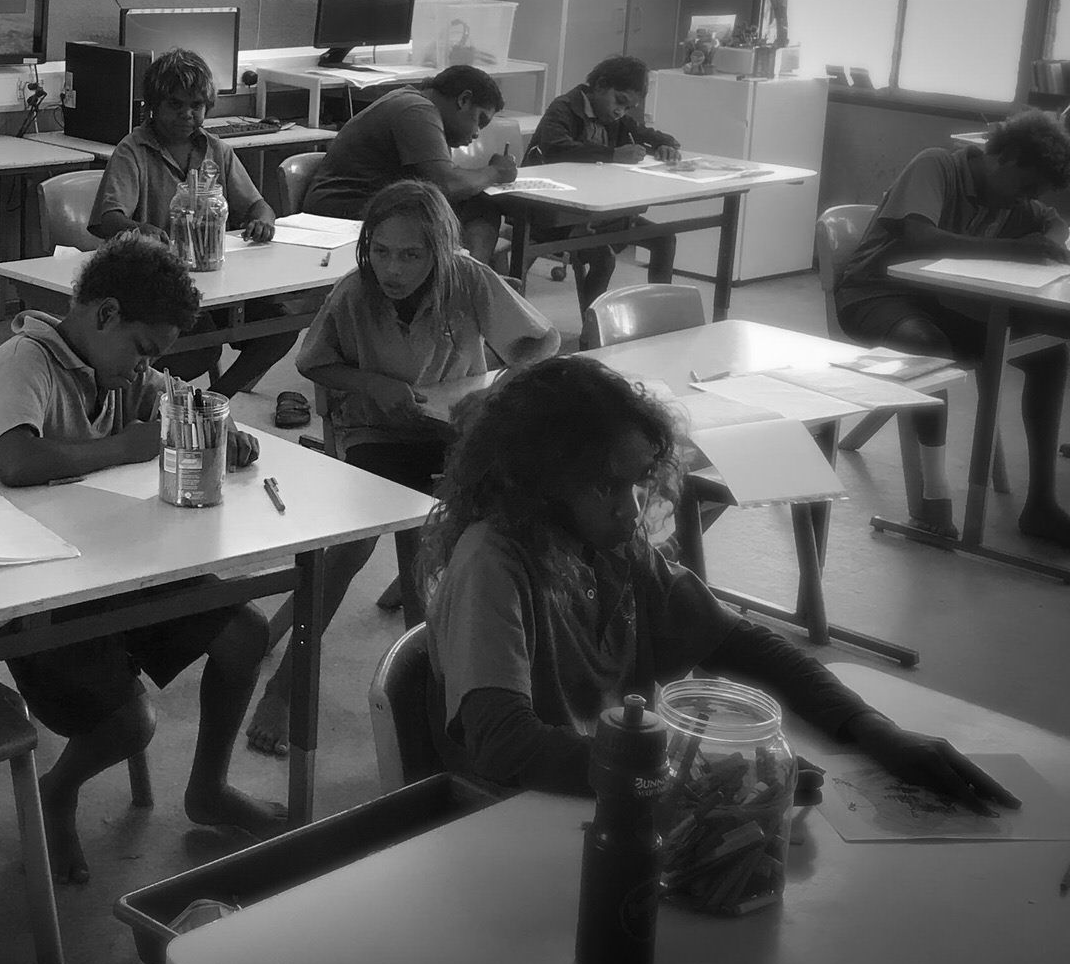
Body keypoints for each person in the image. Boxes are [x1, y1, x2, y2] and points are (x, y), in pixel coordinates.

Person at [422, 355, 1020, 813]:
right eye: (606, 486)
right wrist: (698, 776)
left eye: (636, 483)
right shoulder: (491, 565)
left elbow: (745, 645)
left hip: (614, 797)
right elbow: (505, 746)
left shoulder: (608, 544)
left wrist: (876, 731)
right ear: (542, 480)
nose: (632, 510)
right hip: (516, 818)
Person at [0, 231, 283, 884]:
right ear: (104, 314)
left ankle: (208, 789)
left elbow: (182, 402)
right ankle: (58, 789)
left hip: (109, 565)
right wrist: (130, 449)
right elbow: (17, 460)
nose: (145, 369)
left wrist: (228, 431)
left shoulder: (119, 369)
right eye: (142, 350)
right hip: (29, 589)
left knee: (244, 633)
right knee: (130, 725)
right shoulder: (24, 360)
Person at [245, 180, 559, 756]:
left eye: (411, 254)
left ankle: (458, 687)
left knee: (502, 533)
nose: (393, 268)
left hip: (451, 435)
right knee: (350, 549)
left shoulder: (469, 280)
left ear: (440, 250)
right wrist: (373, 384)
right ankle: (285, 689)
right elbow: (315, 362)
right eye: (382, 251)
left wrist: (496, 392)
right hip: (374, 432)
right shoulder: (354, 292)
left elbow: (540, 344)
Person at [834, 109, 1070, 546]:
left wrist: (1049, 244)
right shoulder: (937, 165)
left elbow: (1053, 223)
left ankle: (1040, 502)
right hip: (873, 294)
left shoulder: (1011, 195)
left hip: (938, 299)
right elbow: (919, 239)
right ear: (1006, 158)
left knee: (1048, 350)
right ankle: (934, 497)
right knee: (927, 347)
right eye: (1026, 186)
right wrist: (1016, 251)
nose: (1025, 200)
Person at [88, 48, 292, 398]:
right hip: (159, 284)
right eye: (175, 105)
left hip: (215, 278)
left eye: (196, 106)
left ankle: (217, 398)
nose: (187, 114)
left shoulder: (217, 150)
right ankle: (145, 397)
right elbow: (108, 219)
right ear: (154, 105)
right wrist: (144, 230)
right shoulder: (133, 150)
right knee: (201, 345)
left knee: (281, 326)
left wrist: (262, 220)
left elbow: (258, 205)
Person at [301, 65, 518, 273]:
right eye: (480, 120)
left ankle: (465, 283)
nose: (477, 133)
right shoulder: (416, 109)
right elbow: (446, 186)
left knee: (467, 206)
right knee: (481, 207)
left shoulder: (414, 103)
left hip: (362, 203)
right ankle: (464, 288)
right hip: (341, 210)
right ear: (463, 100)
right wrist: (496, 172)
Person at [526, 56, 682, 336]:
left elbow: (649, 134)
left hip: (600, 213)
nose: (620, 112)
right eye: (618, 101)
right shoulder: (564, 107)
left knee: (664, 238)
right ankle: (593, 333)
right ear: (600, 86)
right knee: (604, 257)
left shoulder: (617, 120)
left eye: (628, 107)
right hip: (553, 215)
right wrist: (612, 155)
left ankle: (662, 323)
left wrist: (666, 145)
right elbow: (555, 148)